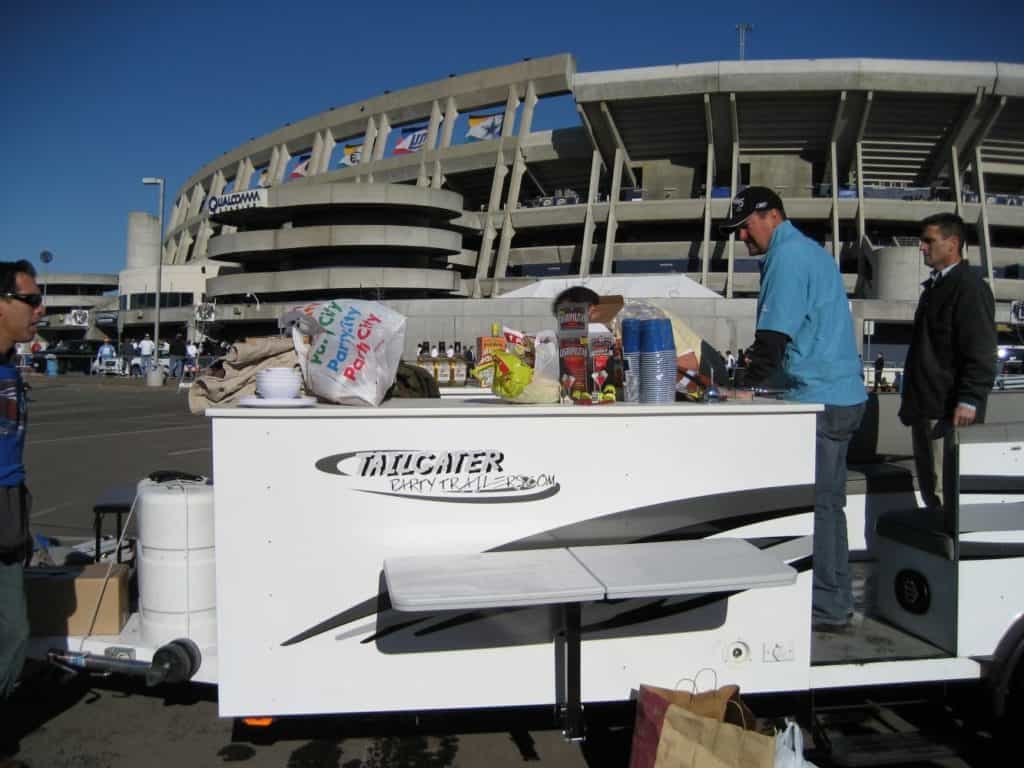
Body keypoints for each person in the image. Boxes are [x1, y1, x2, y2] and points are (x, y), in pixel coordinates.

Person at [721, 187, 866, 633]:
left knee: (816, 508)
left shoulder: (786, 258)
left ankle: (826, 605)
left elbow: (772, 341)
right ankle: (835, 598)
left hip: (818, 399)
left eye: (745, 226)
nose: (741, 237)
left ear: (770, 216)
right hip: (843, 395)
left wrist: (742, 387)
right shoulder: (813, 253)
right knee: (829, 507)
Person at [898, 213, 996, 523]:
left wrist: (969, 399)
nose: (922, 247)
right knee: (932, 491)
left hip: (948, 412)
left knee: (946, 493)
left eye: (929, 241)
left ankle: (952, 562)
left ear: (952, 244)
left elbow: (981, 349)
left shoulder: (968, 288)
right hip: (928, 408)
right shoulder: (936, 287)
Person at [0, 261, 44, 750]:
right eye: (30, 300)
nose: (40, 308)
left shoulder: (11, 364)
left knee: (14, 634)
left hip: (11, 504)